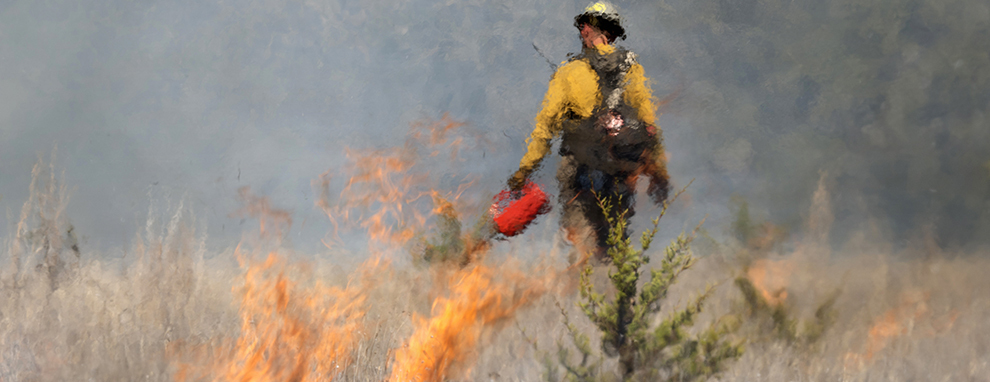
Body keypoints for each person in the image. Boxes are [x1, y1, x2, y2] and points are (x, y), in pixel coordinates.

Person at [507, 1, 671, 260]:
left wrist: (524, 171)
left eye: (583, 26)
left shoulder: (568, 73)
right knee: (614, 246)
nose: (580, 31)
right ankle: (613, 292)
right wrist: (659, 172)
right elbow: (649, 125)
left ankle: (585, 291)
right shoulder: (632, 69)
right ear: (613, 33)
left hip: (580, 177)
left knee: (581, 243)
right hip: (620, 175)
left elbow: (544, 129)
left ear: (586, 29)